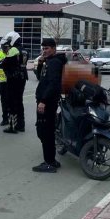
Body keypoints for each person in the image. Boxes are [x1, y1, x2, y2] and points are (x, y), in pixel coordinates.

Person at [32, 38, 67, 173]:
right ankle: (51, 160)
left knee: (44, 132)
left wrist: (43, 101)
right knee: (46, 131)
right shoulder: (50, 62)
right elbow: (43, 79)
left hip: (47, 103)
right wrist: (41, 64)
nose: (44, 51)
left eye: (47, 48)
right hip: (47, 102)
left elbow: (53, 84)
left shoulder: (54, 63)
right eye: (43, 48)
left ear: (54, 48)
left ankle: (49, 163)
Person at [0, 31, 29, 133]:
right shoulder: (25, 50)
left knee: (11, 102)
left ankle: (12, 126)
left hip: (13, 79)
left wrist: (0, 64)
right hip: (22, 78)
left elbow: (5, 63)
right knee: (19, 102)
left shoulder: (14, 50)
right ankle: (21, 125)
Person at [0, 49, 9, 126]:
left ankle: (8, 118)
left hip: (9, 81)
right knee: (5, 101)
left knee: (8, 101)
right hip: (4, 81)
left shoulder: (11, 53)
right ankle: (5, 118)